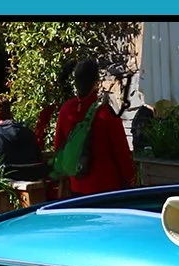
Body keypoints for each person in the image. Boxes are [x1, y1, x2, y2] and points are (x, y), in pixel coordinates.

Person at [50, 58, 135, 195]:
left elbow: (58, 147)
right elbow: (121, 151)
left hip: (77, 187)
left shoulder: (66, 110)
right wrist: (131, 178)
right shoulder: (105, 112)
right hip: (107, 189)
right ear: (96, 83)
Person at [0, 94, 47, 179]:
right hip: (34, 187)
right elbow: (38, 159)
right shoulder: (29, 134)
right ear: (10, 114)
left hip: (3, 190)